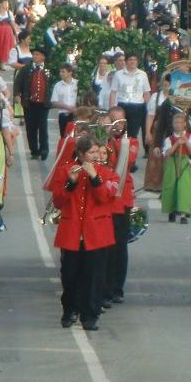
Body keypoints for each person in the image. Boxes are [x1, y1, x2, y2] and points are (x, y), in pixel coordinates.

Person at [52, 135, 119, 331]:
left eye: (97, 152)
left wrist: (95, 178)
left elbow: (106, 197)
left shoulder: (107, 174)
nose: (95, 156)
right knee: (69, 275)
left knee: (94, 276)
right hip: (72, 232)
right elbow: (58, 201)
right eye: (91, 153)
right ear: (80, 154)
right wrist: (71, 183)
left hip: (97, 235)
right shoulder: (65, 171)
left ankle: (90, 315)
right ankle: (70, 309)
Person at [104, 107, 139, 304]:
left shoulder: (130, 142)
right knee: (105, 247)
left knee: (119, 247)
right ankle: (105, 289)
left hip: (122, 200)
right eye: (113, 121)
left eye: (120, 122)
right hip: (105, 201)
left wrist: (113, 142)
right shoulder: (102, 143)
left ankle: (117, 288)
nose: (117, 126)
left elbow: (127, 162)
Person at [111, 54, 151, 165]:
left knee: (132, 135)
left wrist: (149, 110)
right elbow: (113, 92)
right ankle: (117, 158)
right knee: (119, 132)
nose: (133, 62)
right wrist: (112, 109)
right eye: (130, 59)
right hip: (122, 106)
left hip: (137, 107)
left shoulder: (142, 75)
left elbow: (146, 93)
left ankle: (130, 161)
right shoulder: (119, 75)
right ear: (126, 62)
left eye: (135, 59)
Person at [161, 112, 191, 223]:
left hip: (184, 162)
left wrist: (185, 141)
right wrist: (177, 143)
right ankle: (171, 211)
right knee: (171, 186)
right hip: (172, 162)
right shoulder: (169, 139)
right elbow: (167, 153)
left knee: (184, 187)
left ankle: (183, 214)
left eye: (180, 123)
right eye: (175, 122)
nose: (178, 125)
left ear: (185, 124)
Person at [19, 47, 51, 160]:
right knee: (31, 128)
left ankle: (44, 149)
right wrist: (17, 95)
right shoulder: (26, 69)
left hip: (43, 105)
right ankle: (34, 150)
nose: (35, 56)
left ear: (43, 57)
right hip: (30, 104)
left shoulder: (49, 70)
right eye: (34, 54)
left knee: (43, 127)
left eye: (37, 54)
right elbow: (18, 83)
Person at [51, 63, 78, 138]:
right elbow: (54, 102)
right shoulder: (57, 85)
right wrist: (68, 108)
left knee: (76, 136)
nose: (61, 74)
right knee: (64, 137)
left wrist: (76, 108)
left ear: (70, 72)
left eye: (63, 71)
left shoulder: (77, 84)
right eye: (60, 72)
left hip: (76, 115)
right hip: (63, 115)